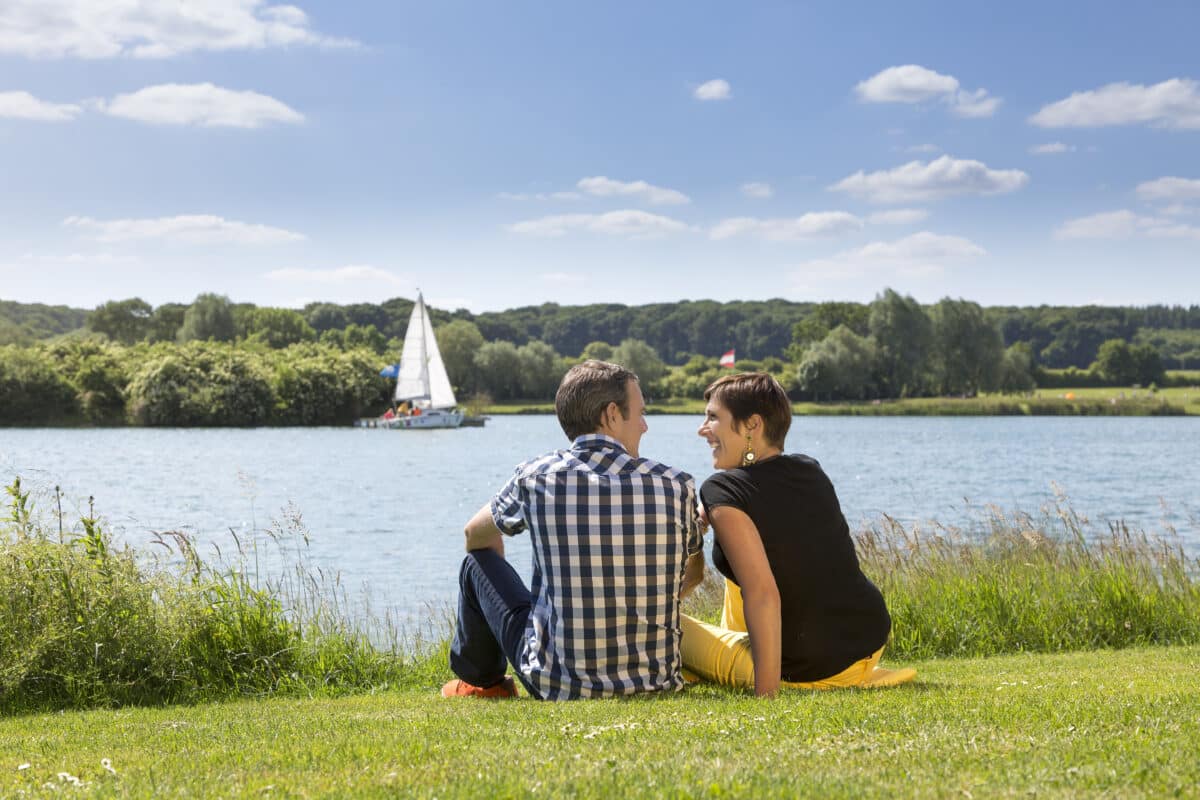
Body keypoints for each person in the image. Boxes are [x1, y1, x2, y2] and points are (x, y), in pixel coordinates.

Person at [442, 360, 705, 701]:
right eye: (640, 413)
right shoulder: (677, 485)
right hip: (653, 681)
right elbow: (695, 573)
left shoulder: (536, 477)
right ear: (611, 414)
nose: (644, 426)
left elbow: (473, 535)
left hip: (557, 684)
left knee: (475, 563)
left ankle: (484, 683)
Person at [682, 372, 915, 697]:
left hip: (806, 669)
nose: (702, 429)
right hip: (866, 647)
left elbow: (763, 594)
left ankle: (754, 668)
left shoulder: (722, 488)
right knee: (743, 564)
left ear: (752, 425)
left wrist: (766, 695)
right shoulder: (810, 470)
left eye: (712, 418)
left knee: (657, 626)